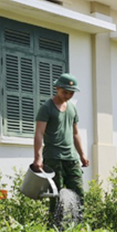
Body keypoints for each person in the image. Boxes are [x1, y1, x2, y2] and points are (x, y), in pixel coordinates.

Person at [33, 73, 90, 215]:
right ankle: (55, 227)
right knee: (56, 195)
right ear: (57, 88)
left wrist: (82, 155)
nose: (68, 95)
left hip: (71, 158)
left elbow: (75, 133)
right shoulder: (46, 108)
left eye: (71, 93)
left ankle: (79, 224)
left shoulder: (72, 109)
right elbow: (39, 133)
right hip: (53, 157)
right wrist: (38, 158)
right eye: (65, 92)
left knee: (78, 192)